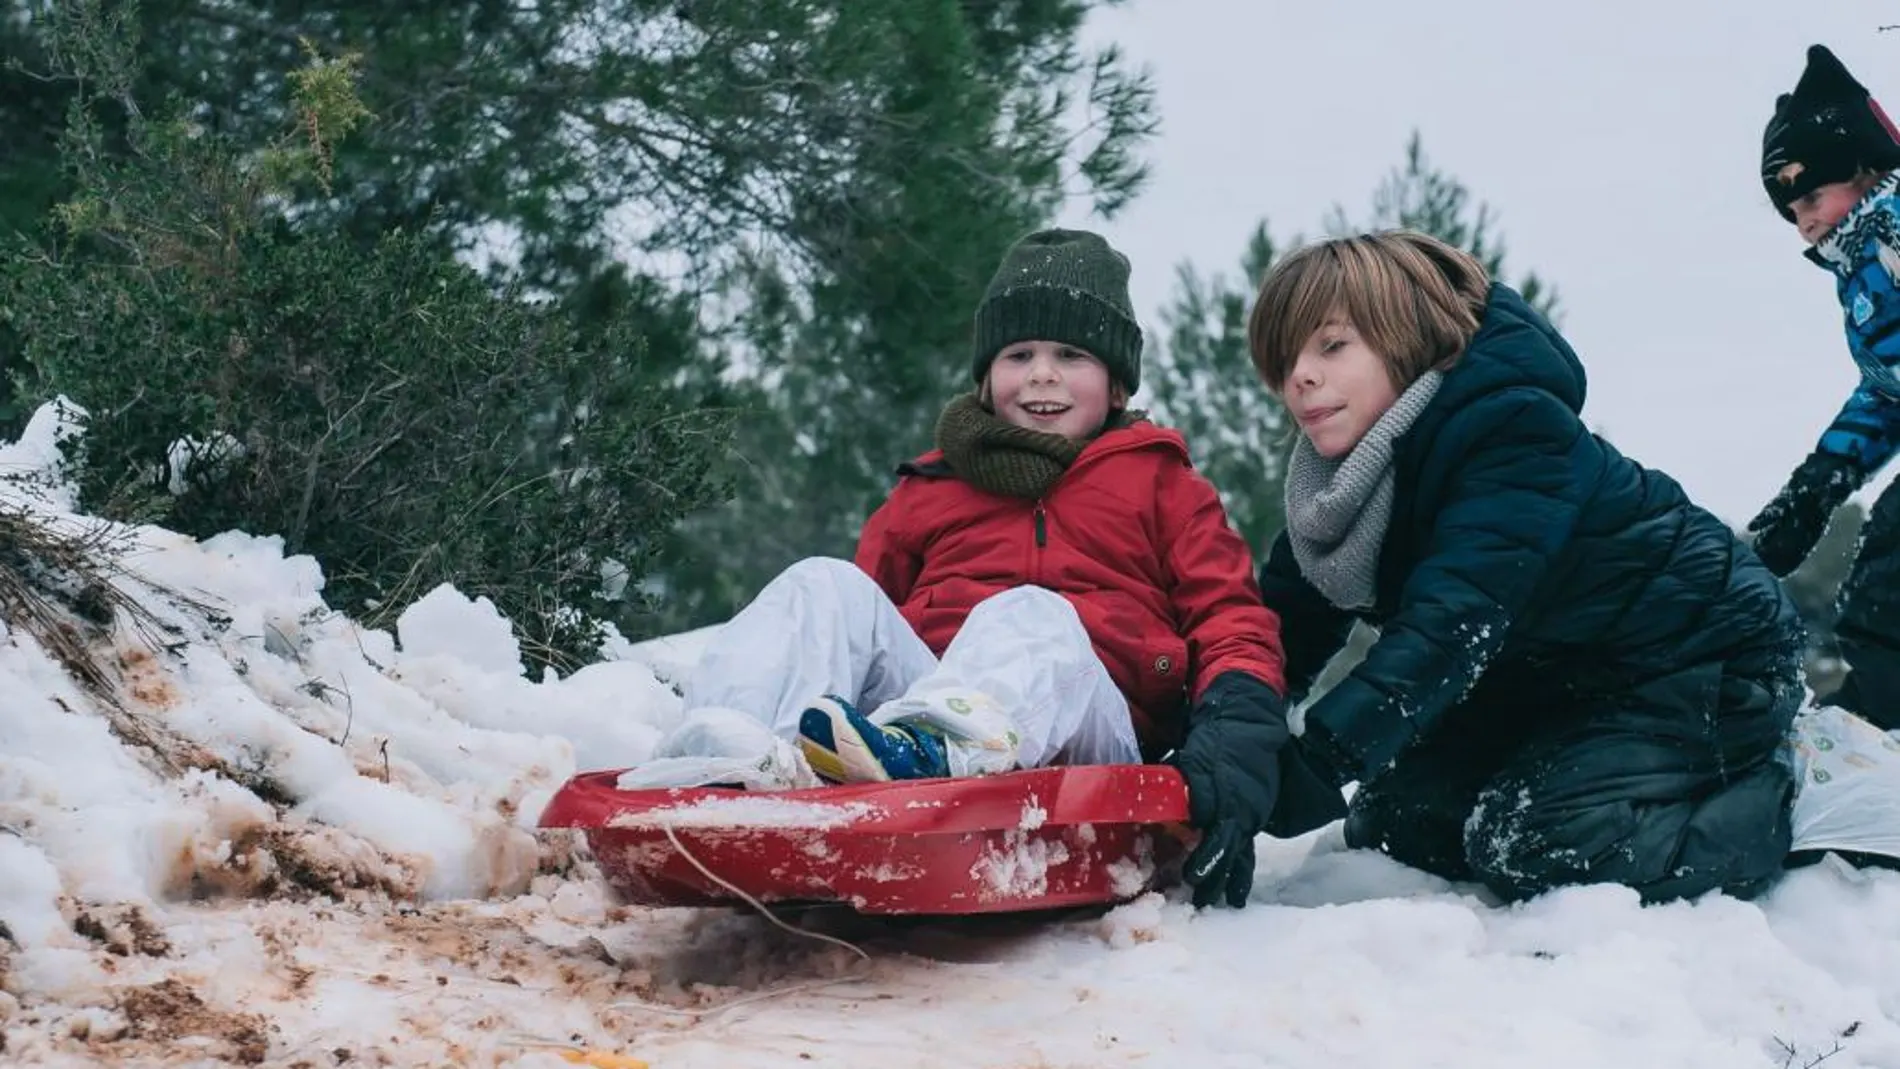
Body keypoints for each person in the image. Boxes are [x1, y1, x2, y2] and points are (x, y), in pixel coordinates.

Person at [629, 227, 1342, 908]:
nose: (1041, 374)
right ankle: (727, 752)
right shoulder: (932, 488)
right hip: (905, 725)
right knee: (823, 582)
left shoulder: (1163, 485)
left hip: (1087, 733)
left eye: (1070, 354)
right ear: (985, 377)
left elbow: (1231, 620)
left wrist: (1235, 740)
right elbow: (860, 621)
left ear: (1117, 385)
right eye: (1018, 354)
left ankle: (932, 748)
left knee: (1030, 611)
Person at [1247, 229, 1806, 903]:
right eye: (1285, 359)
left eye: (1332, 345)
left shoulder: (1513, 431)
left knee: (1536, 842)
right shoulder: (1348, 485)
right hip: (1550, 678)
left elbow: (1450, 625)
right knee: (1395, 825)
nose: (1299, 376)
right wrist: (1223, 732)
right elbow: (1279, 623)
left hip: (1695, 663)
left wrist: (1318, 759)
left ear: (1407, 337)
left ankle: (1788, 798)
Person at [1748, 44, 1900, 731]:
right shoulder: (1863, 267)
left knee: (1884, 590)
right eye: (1790, 211)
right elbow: (1885, 392)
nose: (1804, 221)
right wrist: (1819, 482)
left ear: (1865, 169)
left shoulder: (1893, 234)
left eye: (1811, 195)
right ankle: (1875, 720)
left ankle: (1879, 729)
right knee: (1877, 590)